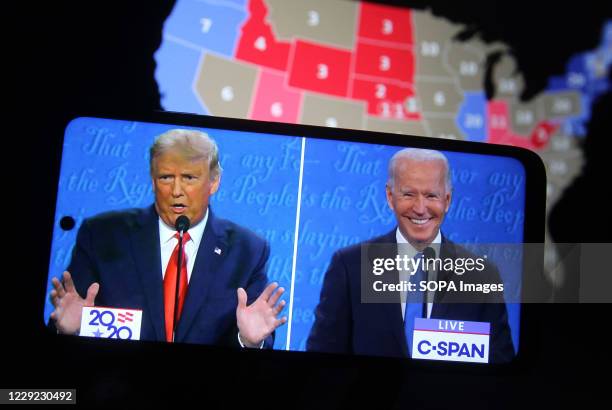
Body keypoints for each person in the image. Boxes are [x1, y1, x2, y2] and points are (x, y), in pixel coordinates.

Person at [49, 129, 286, 348]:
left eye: (189, 178)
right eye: (165, 178)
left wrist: (247, 340)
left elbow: (254, 343)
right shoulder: (102, 235)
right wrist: (69, 330)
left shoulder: (247, 251)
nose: (176, 191)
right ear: (153, 181)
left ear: (214, 182)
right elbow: (68, 321)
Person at [306, 148, 515, 363]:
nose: (420, 208)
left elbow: (501, 365)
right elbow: (321, 359)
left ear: (448, 200)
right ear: (390, 196)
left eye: (431, 195)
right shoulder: (350, 266)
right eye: (409, 194)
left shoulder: (481, 275)